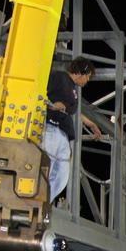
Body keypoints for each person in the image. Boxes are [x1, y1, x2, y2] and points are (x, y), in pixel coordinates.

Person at [43, 56, 101, 204]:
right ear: (81, 72)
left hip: (62, 133)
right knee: (45, 168)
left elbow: (72, 109)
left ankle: (42, 201)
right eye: (87, 77)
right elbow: (41, 94)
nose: (87, 81)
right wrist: (50, 105)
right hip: (51, 127)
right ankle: (34, 199)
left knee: (62, 174)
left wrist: (89, 123)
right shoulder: (59, 77)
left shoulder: (72, 89)